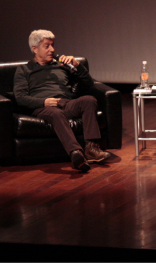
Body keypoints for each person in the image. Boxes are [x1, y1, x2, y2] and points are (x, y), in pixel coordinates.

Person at [13, 29, 112, 172]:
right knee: (57, 114)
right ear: (35, 49)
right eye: (46, 46)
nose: (52, 50)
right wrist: (44, 102)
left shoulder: (61, 65)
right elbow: (21, 98)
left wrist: (77, 66)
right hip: (44, 107)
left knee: (89, 100)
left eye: (53, 45)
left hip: (66, 103)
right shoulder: (24, 70)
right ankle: (75, 153)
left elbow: (89, 85)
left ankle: (92, 149)